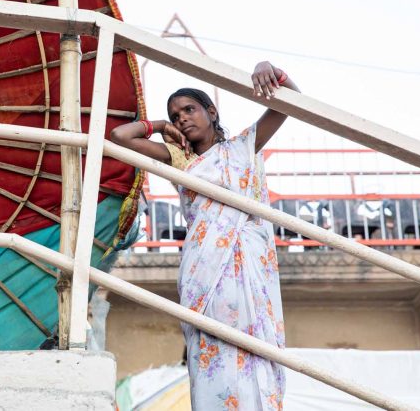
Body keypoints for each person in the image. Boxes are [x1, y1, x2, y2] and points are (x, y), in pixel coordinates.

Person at [110, 61, 299, 410]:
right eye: (176, 115)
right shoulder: (178, 158)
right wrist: (159, 125)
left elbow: (290, 102)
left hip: (250, 266)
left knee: (257, 345)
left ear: (211, 112)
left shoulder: (243, 148)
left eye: (189, 109)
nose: (182, 118)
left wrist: (270, 71)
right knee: (213, 350)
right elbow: (121, 137)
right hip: (204, 268)